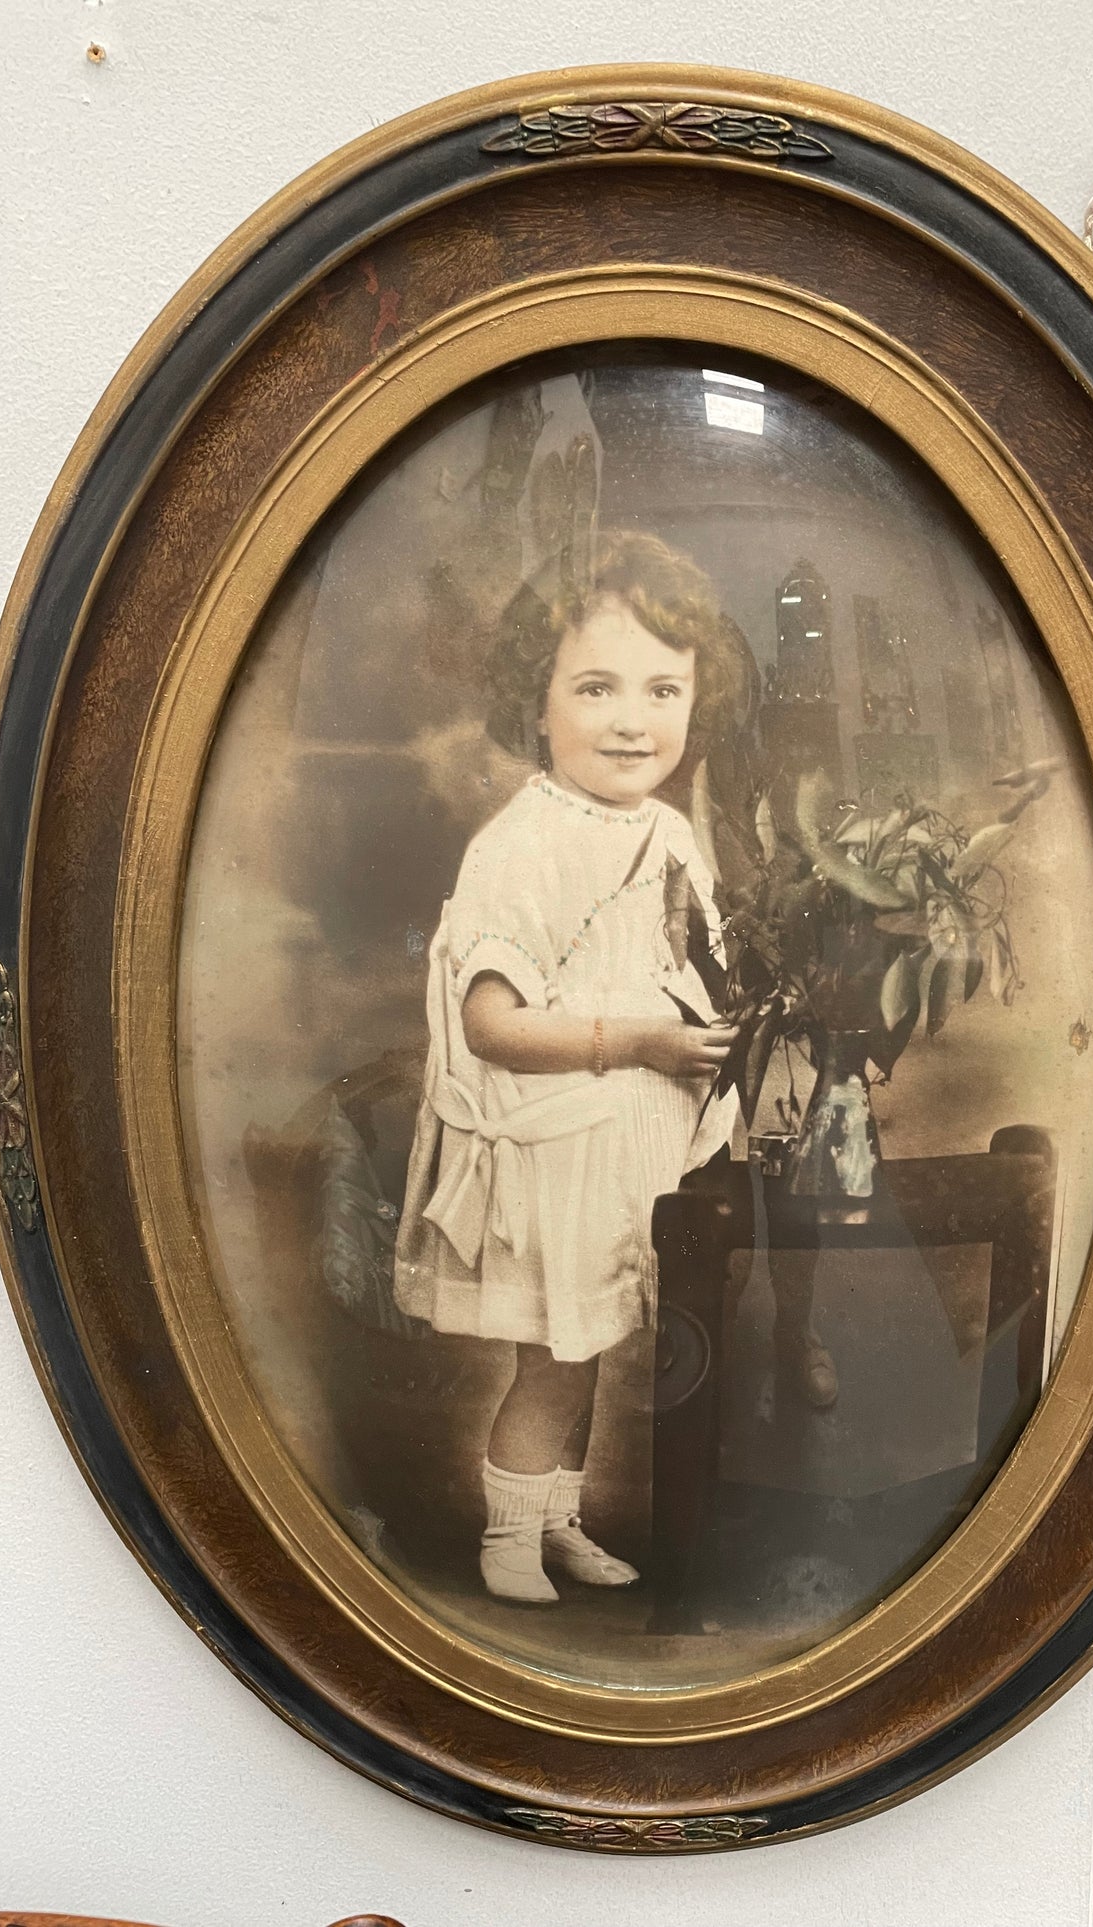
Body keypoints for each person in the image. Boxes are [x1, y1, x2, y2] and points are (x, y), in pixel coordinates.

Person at [393, 531, 743, 1604]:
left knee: (592, 1345)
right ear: (535, 702)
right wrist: (634, 1040)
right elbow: (495, 1024)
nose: (632, 720)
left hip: (633, 1144)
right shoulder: (522, 843)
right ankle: (505, 1539)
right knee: (551, 1358)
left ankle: (558, 1520)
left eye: (661, 689)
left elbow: (698, 967)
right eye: (595, 688)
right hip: (558, 1146)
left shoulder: (673, 832)